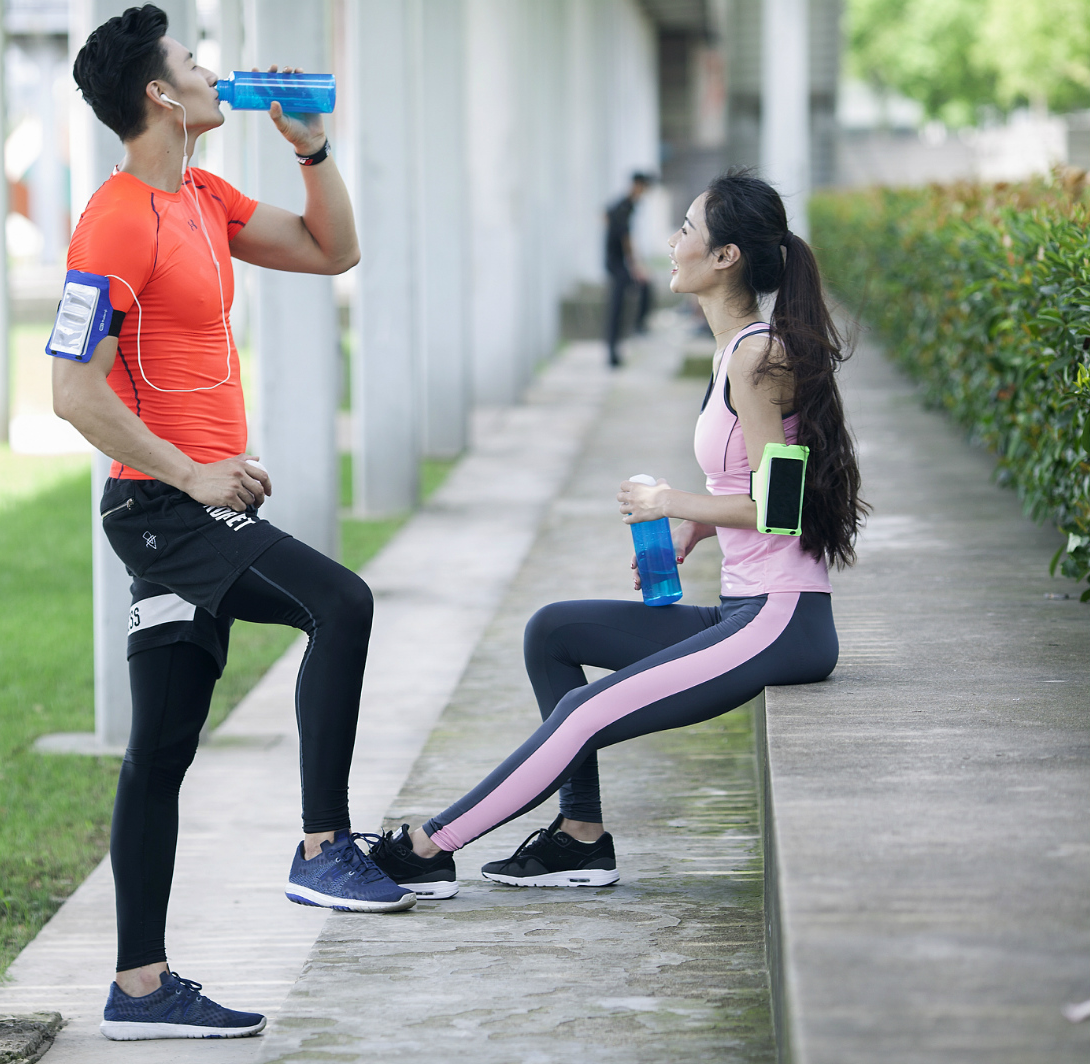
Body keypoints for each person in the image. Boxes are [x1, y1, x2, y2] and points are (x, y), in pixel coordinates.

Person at [53, 5, 413, 1042]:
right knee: (340, 601)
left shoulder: (203, 197)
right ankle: (322, 847)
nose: (213, 73)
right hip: (163, 509)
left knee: (159, 750)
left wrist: (314, 150)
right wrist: (196, 473)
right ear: (160, 96)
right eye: (191, 63)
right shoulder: (114, 217)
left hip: (186, 507)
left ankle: (137, 989)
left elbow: (330, 250)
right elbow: (74, 391)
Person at [366, 169, 868, 897]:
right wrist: (697, 527)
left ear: (725, 256)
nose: (672, 243)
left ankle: (424, 847)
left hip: (781, 620)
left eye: (687, 229)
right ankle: (578, 838)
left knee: (585, 711)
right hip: (747, 608)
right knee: (552, 632)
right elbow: (753, 484)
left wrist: (672, 502)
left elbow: (780, 507)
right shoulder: (739, 352)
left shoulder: (762, 356)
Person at [605, 171, 655, 368]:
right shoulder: (624, 206)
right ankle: (615, 349)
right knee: (618, 307)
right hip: (617, 263)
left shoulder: (623, 205)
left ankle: (624, 341)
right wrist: (635, 265)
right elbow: (626, 239)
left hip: (616, 262)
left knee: (640, 290)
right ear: (637, 185)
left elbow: (605, 214)